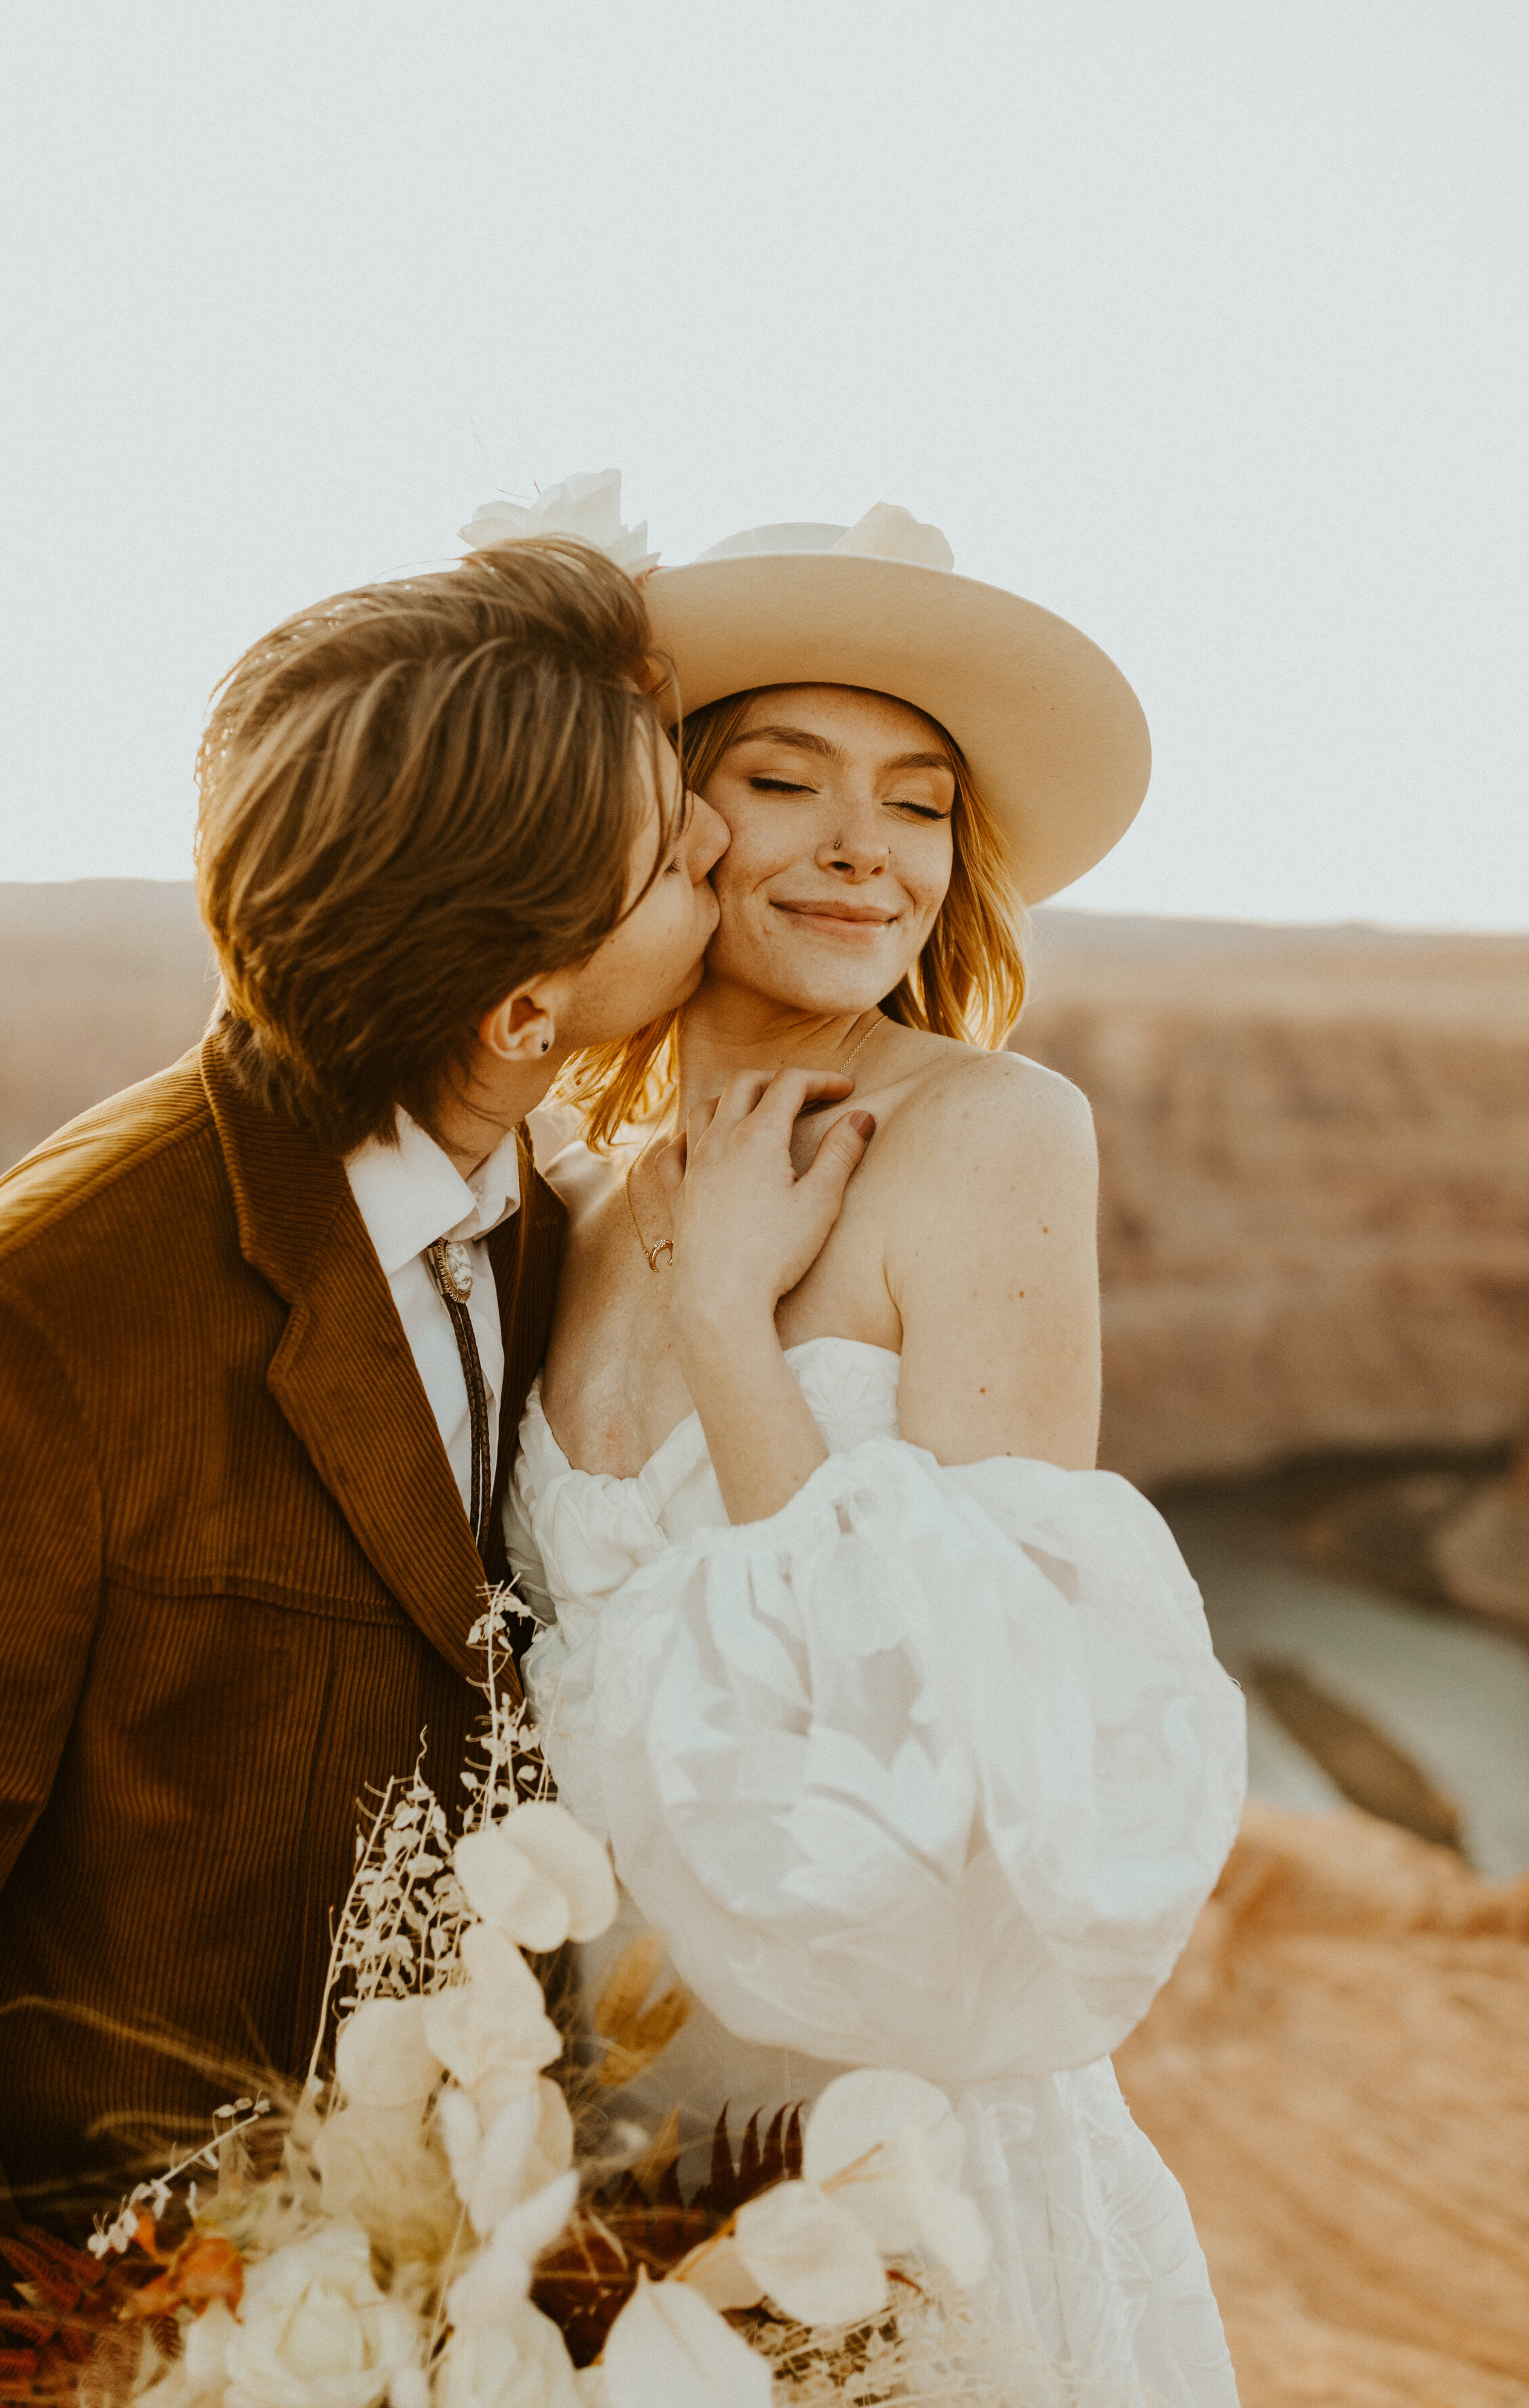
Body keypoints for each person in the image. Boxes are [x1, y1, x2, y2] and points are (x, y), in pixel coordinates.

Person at [0, 533, 726, 2396]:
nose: (720, 848)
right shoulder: (28, 1333)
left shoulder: (557, 1241)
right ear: (520, 1005)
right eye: (670, 855)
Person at [499, 499, 1249, 2403]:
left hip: (883, 2148)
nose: (864, 850)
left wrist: (728, 1327)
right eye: (785, 779)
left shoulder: (992, 1133)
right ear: (667, 819)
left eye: (917, 801)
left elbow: (961, 1735)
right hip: (590, 2141)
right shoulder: (565, 1199)